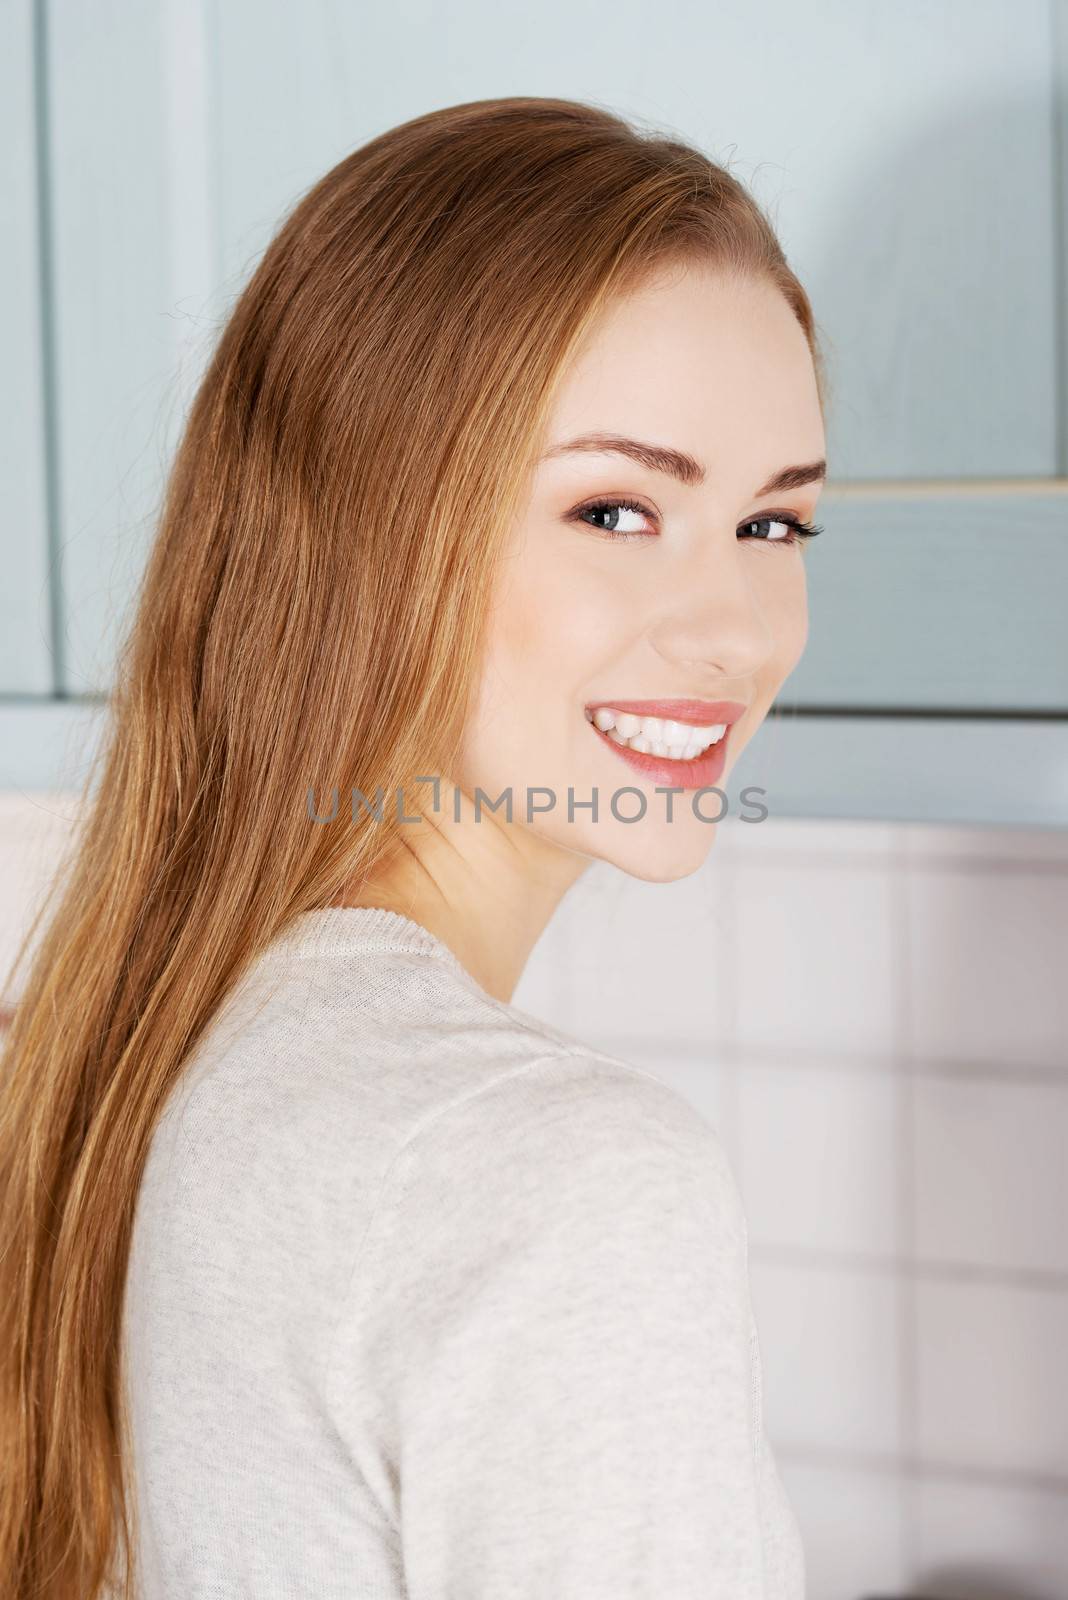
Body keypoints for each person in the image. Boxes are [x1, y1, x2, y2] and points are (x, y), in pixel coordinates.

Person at [0, 95, 827, 1598]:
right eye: (616, 508)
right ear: (370, 535)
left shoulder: (159, 1047)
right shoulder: (557, 1173)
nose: (735, 633)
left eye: (775, 527)